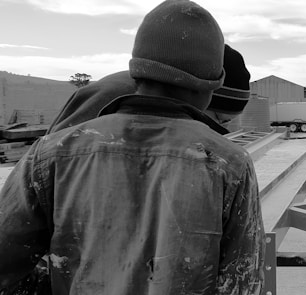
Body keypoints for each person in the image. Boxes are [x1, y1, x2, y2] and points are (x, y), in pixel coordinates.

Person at [0, 1, 265, 294]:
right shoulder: (230, 164)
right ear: (211, 86)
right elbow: (242, 283)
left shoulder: (50, 153)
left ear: (136, 70)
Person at [48, 44, 252, 135]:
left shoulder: (159, 100)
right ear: (202, 95)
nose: (217, 129)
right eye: (220, 119)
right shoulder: (122, 97)